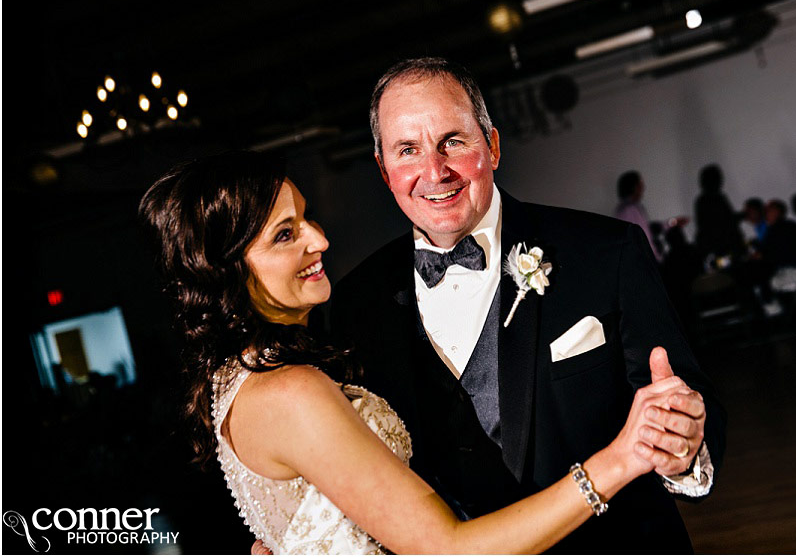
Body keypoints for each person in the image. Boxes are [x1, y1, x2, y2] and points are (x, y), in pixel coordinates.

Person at [139, 151, 702, 554]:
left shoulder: (244, 379)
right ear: (229, 270)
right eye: (285, 235)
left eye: (307, 217)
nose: (319, 239)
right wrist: (621, 458)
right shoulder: (290, 391)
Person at [331, 57, 726, 553]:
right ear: (384, 170)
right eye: (407, 150)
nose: (434, 171)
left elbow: (686, 399)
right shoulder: (352, 305)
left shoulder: (607, 253)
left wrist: (684, 449)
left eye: (453, 141)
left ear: (492, 145)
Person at [694, 164, 744, 265]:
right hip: (722, 249)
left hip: (719, 248)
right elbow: (723, 223)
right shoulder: (712, 200)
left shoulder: (707, 200)